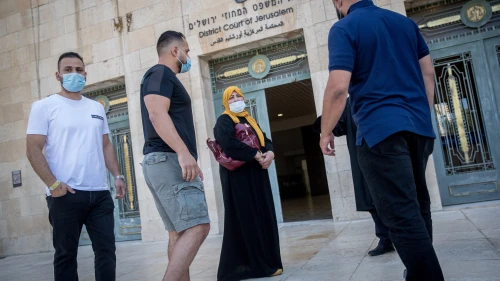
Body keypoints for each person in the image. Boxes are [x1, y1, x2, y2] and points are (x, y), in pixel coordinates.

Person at [319, 0, 444, 280]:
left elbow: (339, 87)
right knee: (417, 205)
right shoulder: (405, 24)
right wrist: (421, 115)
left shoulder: (344, 27)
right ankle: (418, 272)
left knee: (400, 213)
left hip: (381, 131)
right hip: (419, 129)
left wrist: (326, 131)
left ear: (338, 1)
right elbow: (428, 74)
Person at [26, 52, 126, 281]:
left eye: (79, 70)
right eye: (68, 69)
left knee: (106, 252)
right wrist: (53, 184)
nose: (74, 74)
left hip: (99, 194)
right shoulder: (44, 107)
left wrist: (118, 175)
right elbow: (32, 148)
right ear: (58, 75)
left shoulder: (96, 108)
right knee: (65, 255)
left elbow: (106, 145)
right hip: (65, 194)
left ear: (85, 74)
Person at [140, 30, 210, 281]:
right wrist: (183, 152)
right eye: (187, 51)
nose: (188, 56)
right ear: (174, 51)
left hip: (162, 160)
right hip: (168, 159)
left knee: (177, 234)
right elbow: (157, 114)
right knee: (198, 225)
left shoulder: (160, 76)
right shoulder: (161, 73)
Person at [214, 86, 283, 281]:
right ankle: (254, 266)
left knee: (263, 215)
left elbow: (264, 140)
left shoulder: (249, 120)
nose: (236, 99)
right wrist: (254, 154)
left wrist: (269, 153)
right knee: (247, 218)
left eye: (238, 96)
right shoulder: (224, 120)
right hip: (238, 178)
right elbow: (227, 143)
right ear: (225, 102)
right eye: (232, 97)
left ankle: (268, 261)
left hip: (257, 173)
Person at [313, 97, 394, 256]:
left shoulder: (381, 94)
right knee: (372, 200)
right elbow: (340, 127)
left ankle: (404, 237)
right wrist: (326, 125)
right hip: (363, 158)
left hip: (389, 155)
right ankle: (386, 239)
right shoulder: (350, 103)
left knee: (396, 198)